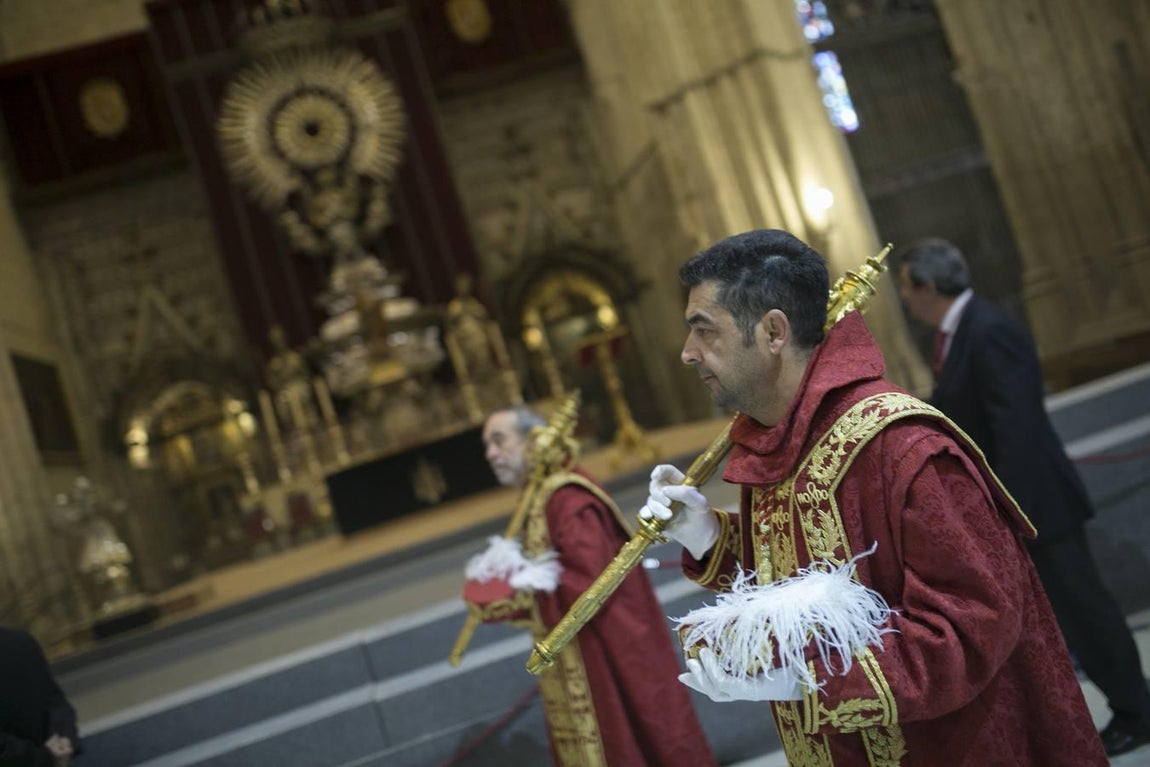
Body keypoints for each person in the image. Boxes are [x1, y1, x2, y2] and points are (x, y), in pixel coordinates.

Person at [639, 229, 1106, 765]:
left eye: (705, 331)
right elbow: (808, 568)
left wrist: (809, 679)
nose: (687, 353)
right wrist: (710, 535)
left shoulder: (900, 445)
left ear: (772, 331)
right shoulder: (781, 437)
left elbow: (971, 625)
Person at [896, 236, 1150, 757]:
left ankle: (1138, 711)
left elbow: (1017, 429)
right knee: (1074, 618)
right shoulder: (962, 332)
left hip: (1039, 505)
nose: (904, 300)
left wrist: (1005, 509)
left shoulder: (987, 330)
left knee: (1088, 613)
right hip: (1029, 505)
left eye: (905, 288)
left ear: (926, 285)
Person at [465, 404, 717, 767]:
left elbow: (594, 584)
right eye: (487, 444)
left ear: (534, 441)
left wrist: (518, 586)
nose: (490, 453)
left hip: (611, 650)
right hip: (582, 651)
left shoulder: (568, 500)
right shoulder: (540, 496)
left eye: (499, 440)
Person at [0, 626, 81, 766]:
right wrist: (63, 739)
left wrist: (46, 758)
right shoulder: (21, 640)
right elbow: (56, 701)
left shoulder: (20, 641)